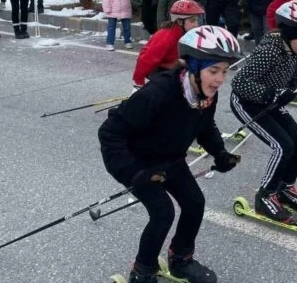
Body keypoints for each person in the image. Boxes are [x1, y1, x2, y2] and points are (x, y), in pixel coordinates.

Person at [99, 25, 241, 283]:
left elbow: (205, 127)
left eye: (224, 71)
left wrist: (220, 153)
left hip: (170, 158)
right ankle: (142, 271)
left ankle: (180, 259)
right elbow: (109, 133)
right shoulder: (158, 93)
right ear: (193, 68)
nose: (220, 79)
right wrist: (134, 172)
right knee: (163, 212)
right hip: (137, 162)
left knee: (195, 203)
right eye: (213, 71)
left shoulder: (207, 93)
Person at [230, 0, 297, 224]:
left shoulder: (292, 48)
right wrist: (271, 95)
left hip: (269, 102)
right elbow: (239, 82)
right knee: (283, 145)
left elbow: (292, 67)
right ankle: (265, 195)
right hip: (247, 103)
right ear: (290, 34)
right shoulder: (269, 50)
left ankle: (284, 187)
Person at [133, 0, 204, 88]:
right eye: (192, 21)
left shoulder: (186, 33)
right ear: (179, 21)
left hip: (172, 64)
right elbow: (146, 60)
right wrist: (138, 82)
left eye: (197, 20)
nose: (196, 24)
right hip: (157, 68)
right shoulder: (166, 37)